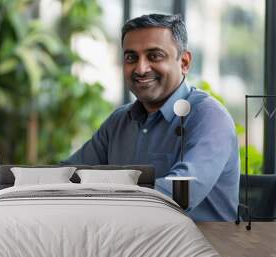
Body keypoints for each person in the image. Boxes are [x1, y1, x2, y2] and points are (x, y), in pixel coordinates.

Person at [63, 14, 239, 221]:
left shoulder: (209, 117)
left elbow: (180, 195)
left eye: (154, 56)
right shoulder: (120, 121)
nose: (140, 68)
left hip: (201, 247)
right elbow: (67, 176)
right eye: (131, 57)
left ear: (184, 62)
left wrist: (103, 195)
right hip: (129, 242)